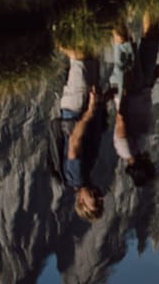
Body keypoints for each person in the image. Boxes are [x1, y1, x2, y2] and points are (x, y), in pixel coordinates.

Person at [47, 38, 110, 221]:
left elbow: (74, 142)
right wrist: (102, 102)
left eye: (95, 202)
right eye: (101, 201)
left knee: (80, 58)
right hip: (84, 107)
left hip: (76, 108)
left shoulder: (76, 177)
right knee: (91, 55)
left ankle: (51, 33)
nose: (99, 197)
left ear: (81, 201)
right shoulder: (86, 172)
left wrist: (90, 111)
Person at [110, 11, 159, 187]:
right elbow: (142, 111)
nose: (152, 163)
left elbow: (121, 117)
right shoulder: (137, 149)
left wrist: (125, 84)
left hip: (131, 89)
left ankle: (113, 6)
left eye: (150, 167)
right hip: (144, 87)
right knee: (152, 38)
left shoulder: (126, 149)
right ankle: (150, 1)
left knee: (124, 43)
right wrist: (152, 82)